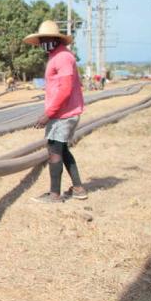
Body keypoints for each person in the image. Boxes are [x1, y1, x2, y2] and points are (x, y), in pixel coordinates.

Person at [23, 20, 87, 203]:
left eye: (46, 38)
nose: (43, 42)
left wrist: (48, 114)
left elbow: (65, 90)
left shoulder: (63, 58)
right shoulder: (56, 55)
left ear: (56, 39)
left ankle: (54, 195)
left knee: (54, 151)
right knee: (63, 150)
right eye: (41, 39)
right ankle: (78, 188)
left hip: (62, 115)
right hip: (61, 113)